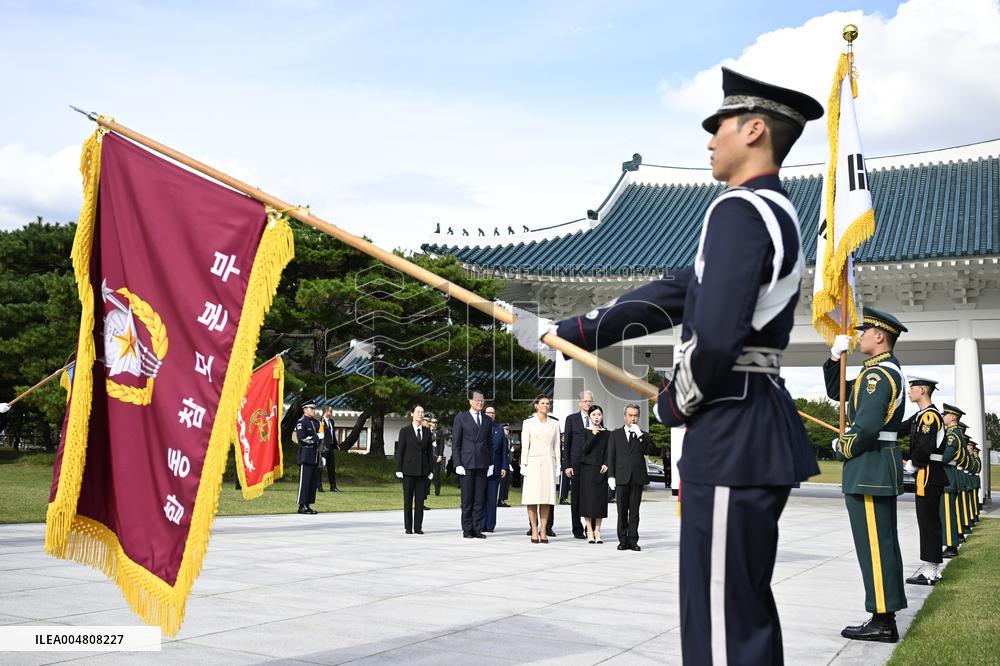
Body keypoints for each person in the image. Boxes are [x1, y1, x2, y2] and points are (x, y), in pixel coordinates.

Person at [514, 67, 822, 664]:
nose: (710, 141)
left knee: (720, 611)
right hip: (747, 419)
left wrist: (675, 400)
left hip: (731, 422)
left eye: (720, 127)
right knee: (736, 604)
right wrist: (561, 333)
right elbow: (673, 294)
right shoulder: (770, 212)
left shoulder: (740, 211)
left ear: (754, 129)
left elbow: (715, 335)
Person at [826, 307, 908, 642]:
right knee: (879, 542)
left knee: (875, 545)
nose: (859, 337)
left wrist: (842, 446)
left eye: (864, 333)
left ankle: (883, 620)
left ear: (879, 336)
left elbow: (869, 426)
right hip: (874, 466)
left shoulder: (877, 376)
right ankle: (883, 613)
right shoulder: (874, 372)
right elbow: (838, 393)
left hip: (871, 465)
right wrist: (834, 358)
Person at [897, 377, 945, 585]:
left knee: (929, 523)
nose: (909, 392)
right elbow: (898, 429)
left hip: (930, 474)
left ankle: (932, 572)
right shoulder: (920, 416)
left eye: (912, 388)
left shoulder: (929, 417)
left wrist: (913, 464)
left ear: (923, 390)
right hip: (925, 474)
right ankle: (931, 569)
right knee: (926, 522)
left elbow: (925, 447)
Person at [606, 404, 655, 551]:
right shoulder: (615, 434)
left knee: (634, 512)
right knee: (622, 511)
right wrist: (611, 476)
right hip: (621, 477)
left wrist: (640, 435)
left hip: (637, 478)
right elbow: (611, 456)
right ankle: (622, 540)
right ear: (625, 416)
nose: (633, 418)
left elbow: (650, 450)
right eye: (630, 415)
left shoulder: (643, 435)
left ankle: (633, 540)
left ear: (638, 417)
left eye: (635, 415)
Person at [452, 388, 492, 538]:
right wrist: (458, 464)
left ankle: (477, 528)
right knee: (467, 499)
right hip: (466, 464)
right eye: (477, 400)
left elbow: (489, 444)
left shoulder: (487, 420)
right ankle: (467, 528)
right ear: (470, 401)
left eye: (482, 400)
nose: (480, 403)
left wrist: (491, 464)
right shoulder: (461, 418)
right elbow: (456, 444)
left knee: (479, 499)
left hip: (482, 463)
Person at [521, 394, 561, 543]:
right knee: (532, 498)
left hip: (549, 463)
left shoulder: (555, 424)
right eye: (543, 403)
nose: (546, 405)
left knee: (546, 498)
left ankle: (543, 530)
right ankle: (533, 530)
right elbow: (525, 445)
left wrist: (559, 465)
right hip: (533, 463)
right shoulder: (528, 423)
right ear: (536, 405)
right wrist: (523, 464)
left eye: (548, 403)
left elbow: (557, 445)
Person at [395, 404, 435, 534]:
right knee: (408, 500)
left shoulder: (427, 432)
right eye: (418, 412)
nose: (420, 414)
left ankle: (418, 527)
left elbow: (430, 452)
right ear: (412, 414)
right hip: (408, 470)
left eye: (422, 412)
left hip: (423, 471)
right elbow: (400, 451)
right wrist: (399, 468)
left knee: (419, 501)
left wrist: (431, 470)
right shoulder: (405, 431)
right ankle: (408, 527)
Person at [562, 390, 594, 539]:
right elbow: (567, 444)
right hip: (575, 465)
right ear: (580, 402)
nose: (588, 404)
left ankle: (591, 528)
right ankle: (577, 528)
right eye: (586, 401)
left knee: (591, 496)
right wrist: (567, 465)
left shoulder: (596, 417)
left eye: (590, 401)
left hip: (592, 465)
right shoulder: (571, 419)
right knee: (576, 498)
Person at [579, 404, 610, 544]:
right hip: (587, 470)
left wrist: (607, 463)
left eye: (599, 414)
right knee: (588, 500)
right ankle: (589, 531)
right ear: (590, 417)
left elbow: (610, 452)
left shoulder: (608, 433)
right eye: (594, 415)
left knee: (599, 501)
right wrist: (593, 435)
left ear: (602, 416)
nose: (597, 417)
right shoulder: (585, 431)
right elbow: (584, 450)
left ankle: (598, 531)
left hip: (601, 470)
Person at [939, 404, 966, 558]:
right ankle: (950, 543)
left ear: (953, 417)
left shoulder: (953, 435)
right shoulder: (952, 433)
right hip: (949, 474)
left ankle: (951, 546)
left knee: (947, 513)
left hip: (948, 475)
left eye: (946, 415)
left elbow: (945, 457)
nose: (943, 417)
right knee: (946, 512)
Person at [481, 406, 509, 532]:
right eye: (488, 412)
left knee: (492, 498)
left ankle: (490, 524)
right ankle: (480, 523)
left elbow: (504, 450)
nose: (491, 414)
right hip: (482, 467)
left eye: (493, 413)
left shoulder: (499, 429)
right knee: (481, 497)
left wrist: (504, 466)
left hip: (496, 467)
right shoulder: (480, 427)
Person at [295, 403, 323, 514]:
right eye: (311, 408)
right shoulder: (301, 422)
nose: (313, 410)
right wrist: (316, 437)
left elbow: (322, 438)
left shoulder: (316, 422)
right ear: (305, 410)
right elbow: (301, 439)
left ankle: (308, 504)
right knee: (305, 482)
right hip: (306, 454)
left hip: (316, 455)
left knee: (312, 482)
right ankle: (302, 505)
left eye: (314, 409)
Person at [319, 405, 341, 493]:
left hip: (331, 446)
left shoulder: (331, 421)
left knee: (332, 467)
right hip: (323, 446)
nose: (331, 413)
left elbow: (333, 434)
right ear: (325, 411)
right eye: (330, 411)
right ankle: (319, 486)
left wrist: (336, 444)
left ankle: (333, 486)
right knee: (321, 466)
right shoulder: (320, 421)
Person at [498, 424, 512, 507]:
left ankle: (503, 499)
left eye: (508, 430)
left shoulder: (507, 440)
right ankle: (499, 500)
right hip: (502, 464)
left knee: (505, 484)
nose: (507, 431)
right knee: (501, 483)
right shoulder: (500, 439)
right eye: (506, 429)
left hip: (506, 464)